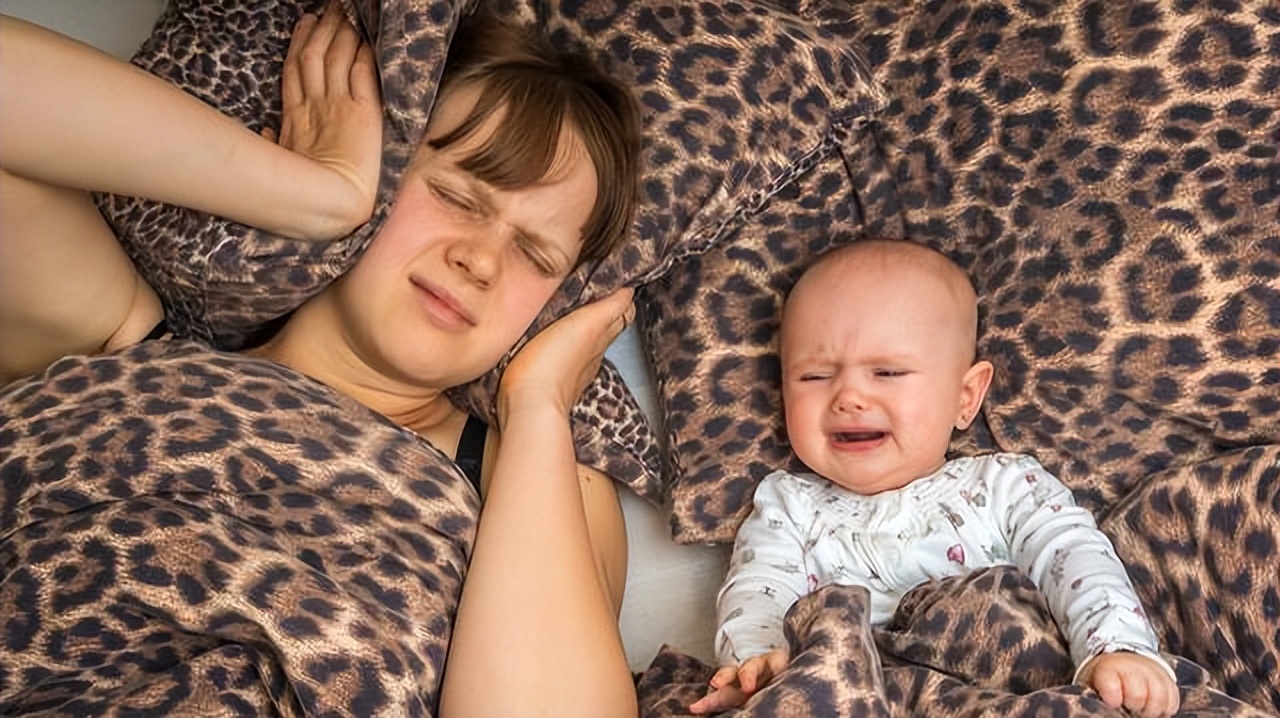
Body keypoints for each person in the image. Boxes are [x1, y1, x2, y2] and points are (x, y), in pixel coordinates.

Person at [0, 3, 642, 716]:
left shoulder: (532, 473)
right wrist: (319, 197)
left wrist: (542, 404)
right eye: (455, 195)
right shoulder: (121, 338)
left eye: (535, 254)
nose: (482, 259)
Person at [689, 239, 1180, 717]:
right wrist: (754, 664)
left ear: (965, 397)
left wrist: (1117, 646)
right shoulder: (789, 506)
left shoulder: (1005, 487)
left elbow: (1074, 559)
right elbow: (758, 590)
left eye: (887, 372)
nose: (848, 397)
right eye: (814, 377)